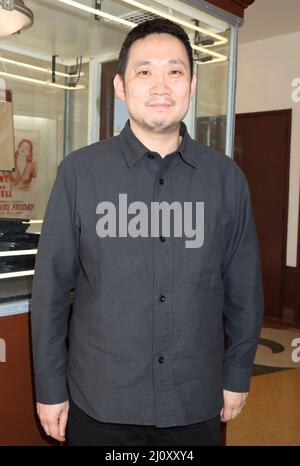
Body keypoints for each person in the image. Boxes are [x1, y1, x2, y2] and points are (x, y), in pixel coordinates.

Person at [30, 18, 264, 446]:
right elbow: (50, 291)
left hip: (196, 401)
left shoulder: (226, 180)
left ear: (191, 85)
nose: (161, 85)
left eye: (175, 71)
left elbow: (244, 291)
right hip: (100, 402)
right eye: (144, 71)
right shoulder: (80, 173)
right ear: (121, 86)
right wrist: (49, 388)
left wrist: (237, 372)